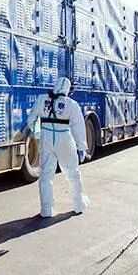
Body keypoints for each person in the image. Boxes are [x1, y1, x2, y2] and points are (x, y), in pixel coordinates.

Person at [26, 77, 90, 217]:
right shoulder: (71, 104)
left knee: (45, 176)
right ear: (67, 89)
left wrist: (38, 133)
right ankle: (78, 204)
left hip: (46, 138)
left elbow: (31, 120)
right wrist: (81, 147)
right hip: (64, 138)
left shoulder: (42, 99)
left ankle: (46, 210)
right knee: (73, 174)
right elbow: (78, 127)